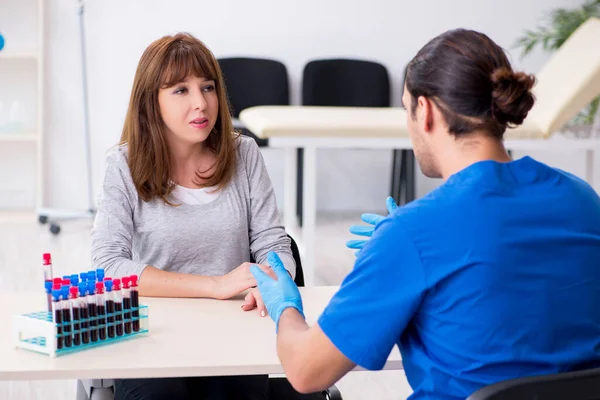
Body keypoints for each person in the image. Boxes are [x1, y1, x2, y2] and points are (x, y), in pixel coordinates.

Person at [250, 28, 600, 400]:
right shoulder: (582, 198)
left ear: (426, 110)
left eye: (406, 109)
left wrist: (285, 306)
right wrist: (410, 257)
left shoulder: (411, 233)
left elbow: (306, 372)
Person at [91, 32, 295, 400]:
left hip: (235, 329)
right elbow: (108, 267)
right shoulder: (122, 165)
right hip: (152, 335)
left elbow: (274, 243)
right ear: (150, 102)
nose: (201, 103)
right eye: (180, 90)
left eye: (208, 87)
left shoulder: (243, 152)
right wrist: (214, 287)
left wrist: (273, 280)